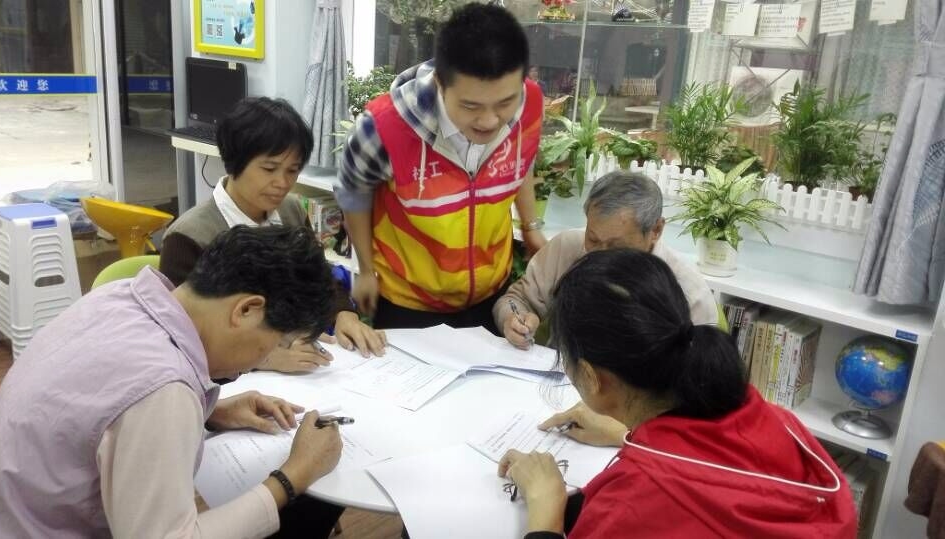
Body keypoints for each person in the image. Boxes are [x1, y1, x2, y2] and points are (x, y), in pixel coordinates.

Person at [0, 226, 347, 538]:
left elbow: (99, 405)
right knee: (306, 512)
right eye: (278, 342)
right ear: (246, 310)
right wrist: (293, 476)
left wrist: (212, 412)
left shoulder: (121, 296)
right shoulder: (162, 389)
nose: (263, 357)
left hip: (5, 512)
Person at [497, 249, 857, 538]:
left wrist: (545, 513)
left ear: (591, 378)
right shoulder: (774, 418)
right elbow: (722, 478)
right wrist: (626, 434)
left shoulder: (630, 505)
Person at [334, 3, 546, 332]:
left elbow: (523, 160)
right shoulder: (382, 128)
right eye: (471, 106)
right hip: (408, 300)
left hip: (491, 290)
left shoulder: (529, 101)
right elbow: (354, 194)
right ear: (440, 84)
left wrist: (530, 227)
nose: (490, 121)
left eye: (505, 103)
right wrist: (363, 269)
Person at [161, 96, 386, 369]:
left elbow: (317, 278)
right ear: (234, 162)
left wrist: (343, 313)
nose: (282, 183)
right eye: (269, 169)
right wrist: (265, 358)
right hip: (230, 375)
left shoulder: (291, 211)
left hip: (305, 364)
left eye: (293, 170)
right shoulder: (189, 236)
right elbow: (178, 338)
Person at [494, 171, 717, 349]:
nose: (599, 256)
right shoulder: (566, 248)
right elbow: (516, 299)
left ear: (656, 230)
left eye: (617, 246)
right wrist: (513, 319)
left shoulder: (689, 292)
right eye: (592, 239)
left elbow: (698, 374)